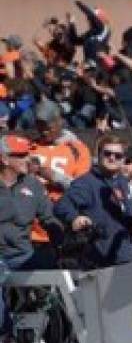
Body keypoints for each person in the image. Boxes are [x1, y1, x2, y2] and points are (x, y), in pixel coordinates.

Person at [53, 133, 132, 269]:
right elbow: (61, 206)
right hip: (98, 258)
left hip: (124, 254)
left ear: (123, 159)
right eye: (107, 153)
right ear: (99, 155)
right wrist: (74, 218)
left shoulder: (121, 181)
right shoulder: (86, 182)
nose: (112, 158)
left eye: (118, 156)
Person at [27, 102, 91, 268]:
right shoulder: (30, 148)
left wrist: (54, 177)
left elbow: (84, 189)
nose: (43, 130)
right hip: (32, 231)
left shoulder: (77, 149)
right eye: (39, 125)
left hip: (63, 227)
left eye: (47, 126)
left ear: (59, 121)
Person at [0, 135, 63, 280]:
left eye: (28, 153)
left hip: (23, 255)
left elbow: (48, 217)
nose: (28, 158)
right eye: (21, 155)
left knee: (70, 271)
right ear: (4, 159)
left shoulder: (33, 185)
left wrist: (60, 235)